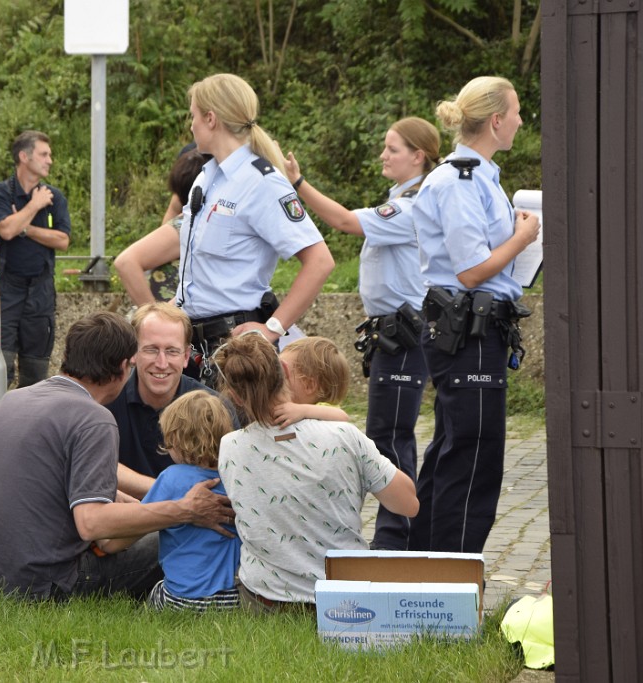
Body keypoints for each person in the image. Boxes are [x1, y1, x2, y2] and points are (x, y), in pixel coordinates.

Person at [0, 312, 234, 601]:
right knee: (169, 534)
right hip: (42, 584)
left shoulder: (14, 399)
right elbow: (92, 523)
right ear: (125, 366)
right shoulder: (93, 418)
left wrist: (134, 504)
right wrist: (185, 510)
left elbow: (50, 484)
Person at [282, 117, 440, 550]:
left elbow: (346, 222)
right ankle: (399, 535)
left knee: (390, 437)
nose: (383, 156)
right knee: (388, 432)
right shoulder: (402, 199)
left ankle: (394, 541)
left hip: (405, 335)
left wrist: (299, 184)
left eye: (392, 149)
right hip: (392, 334)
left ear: (418, 156)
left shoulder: (411, 205)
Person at [409, 76, 540, 554]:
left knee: (453, 451)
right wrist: (523, 239)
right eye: (518, 111)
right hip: (466, 329)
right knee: (472, 458)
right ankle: (451, 579)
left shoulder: (481, 175)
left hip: (476, 327)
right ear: (497, 120)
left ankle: (423, 568)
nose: (523, 121)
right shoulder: (459, 179)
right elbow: (468, 271)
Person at [214, 334, 418, 611]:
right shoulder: (343, 435)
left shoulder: (229, 446)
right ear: (283, 373)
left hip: (263, 602)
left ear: (235, 394)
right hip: (345, 598)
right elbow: (409, 505)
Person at [176, 73, 335, 386]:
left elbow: (320, 261)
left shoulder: (262, 181)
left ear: (210, 119)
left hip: (235, 349)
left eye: (193, 115)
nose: (190, 124)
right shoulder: (206, 178)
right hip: (195, 346)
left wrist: (273, 327)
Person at [106, 301, 227, 499]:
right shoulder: (106, 399)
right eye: (151, 349)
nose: (162, 363)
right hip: (125, 521)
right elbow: (87, 463)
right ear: (133, 353)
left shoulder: (215, 408)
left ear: (186, 356)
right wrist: (169, 490)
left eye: (172, 351)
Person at [140, 391, 241, 611]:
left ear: (175, 439)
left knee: (154, 592)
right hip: (233, 599)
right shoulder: (236, 477)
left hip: (181, 598)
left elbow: (141, 518)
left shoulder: (171, 478)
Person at [0, 130, 71, 388]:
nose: (50, 160)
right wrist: (34, 206)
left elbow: (63, 240)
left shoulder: (54, 197)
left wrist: (27, 228)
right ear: (24, 156)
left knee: (35, 374)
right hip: (7, 291)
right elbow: (6, 230)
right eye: (44, 154)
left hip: (41, 292)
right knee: (2, 371)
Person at [113, 147, 208, 306]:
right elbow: (125, 262)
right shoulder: (188, 226)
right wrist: (155, 317)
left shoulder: (198, 223)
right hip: (169, 323)